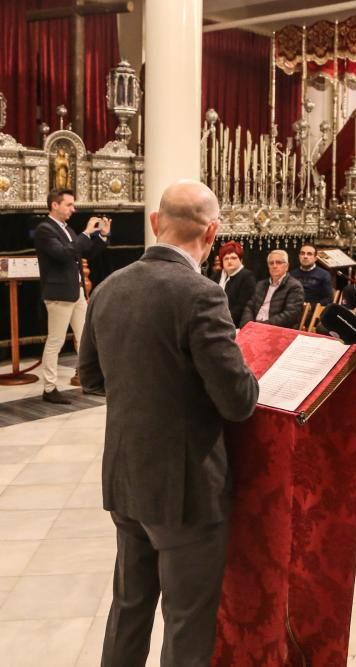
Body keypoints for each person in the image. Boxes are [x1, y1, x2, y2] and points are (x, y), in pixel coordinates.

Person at [78, 180, 259, 666]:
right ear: (213, 232)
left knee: (129, 608)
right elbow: (238, 400)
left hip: (126, 477)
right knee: (186, 622)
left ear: (155, 223)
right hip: (185, 490)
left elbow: (91, 378)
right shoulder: (200, 295)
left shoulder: (110, 287)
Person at [35, 188, 110, 403]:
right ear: (54, 205)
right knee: (55, 341)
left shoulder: (67, 229)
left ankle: (91, 380)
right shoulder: (44, 229)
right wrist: (86, 233)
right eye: (69, 204)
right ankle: (49, 388)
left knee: (86, 337)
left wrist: (102, 237)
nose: (73, 209)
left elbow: (84, 253)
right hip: (58, 292)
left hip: (75, 291)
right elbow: (63, 254)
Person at [240, 249, 305, 328]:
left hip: (276, 330)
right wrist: (247, 325)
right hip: (254, 327)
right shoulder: (260, 284)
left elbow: (291, 315)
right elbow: (249, 307)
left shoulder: (294, 286)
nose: (274, 266)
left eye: (278, 262)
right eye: (271, 263)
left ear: (287, 266)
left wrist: (263, 326)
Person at [211, 240, 256, 326]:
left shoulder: (247, 277)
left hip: (234, 323)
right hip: (215, 318)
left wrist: (221, 320)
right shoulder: (217, 276)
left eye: (233, 258)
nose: (229, 261)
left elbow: (242, 307)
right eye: (226, 258)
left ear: (241, 260)